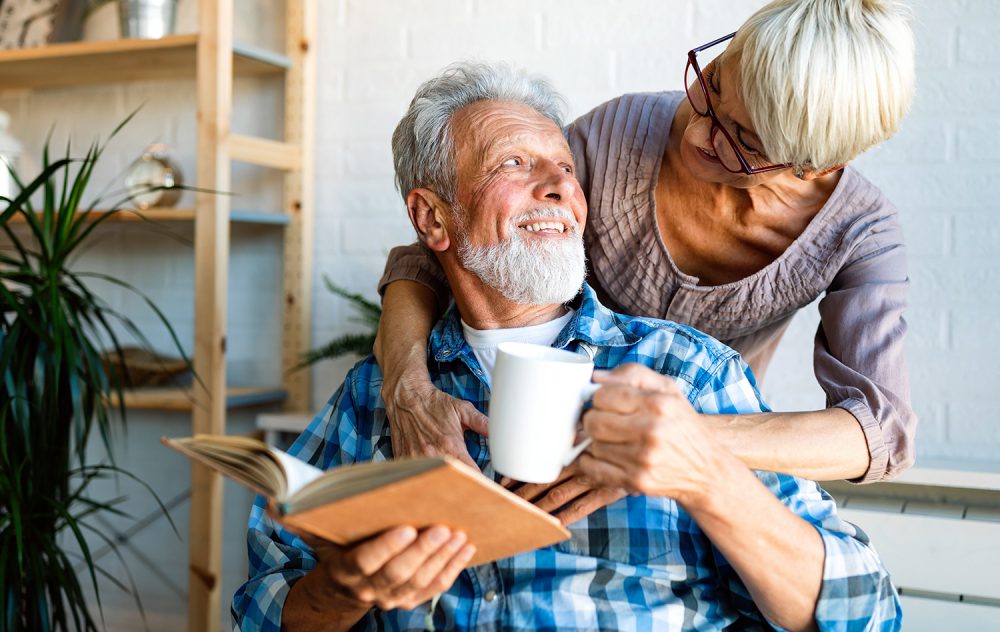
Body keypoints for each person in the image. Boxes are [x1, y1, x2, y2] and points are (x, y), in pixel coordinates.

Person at [232, 62, 901, 632]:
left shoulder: (688, 373)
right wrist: (344, 590)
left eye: (564, 167)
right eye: (513, 164)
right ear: (433, 216)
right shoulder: (378, 398)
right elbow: (263, 611)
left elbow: (869, 610)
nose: (556, 185)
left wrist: (707, 476)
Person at [374, 0, 918, 503]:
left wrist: (667, 440)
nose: (698, 131)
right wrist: (406, 385)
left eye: (743, 142)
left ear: (815, 167)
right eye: (712, 84)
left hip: (705, 457)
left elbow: (879, 433)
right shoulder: (616, 137)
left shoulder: (860, 232)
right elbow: (445, 242)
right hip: (545, 428)